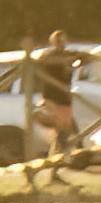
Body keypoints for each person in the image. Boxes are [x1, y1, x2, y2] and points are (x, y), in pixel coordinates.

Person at [30, 29, 78, 161]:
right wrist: (65, 61)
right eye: (58, 40)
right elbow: (44, 61)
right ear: (53, 42)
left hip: (64, 98)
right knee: (62, 130)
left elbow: (84, 57)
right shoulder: (48, 55)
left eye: (63, 40)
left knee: (64, 131)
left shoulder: (69, 54)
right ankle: (57, 160)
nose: (61, 43)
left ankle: (55, 159)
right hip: (52, 96)